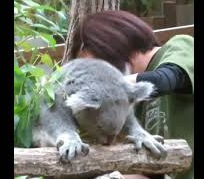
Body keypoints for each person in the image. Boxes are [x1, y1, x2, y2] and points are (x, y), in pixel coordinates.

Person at [70, 10, 194, 179]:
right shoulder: (131, 105)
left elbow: (165, 80)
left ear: (112, 47)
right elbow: (150, 174)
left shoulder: (181, 46)